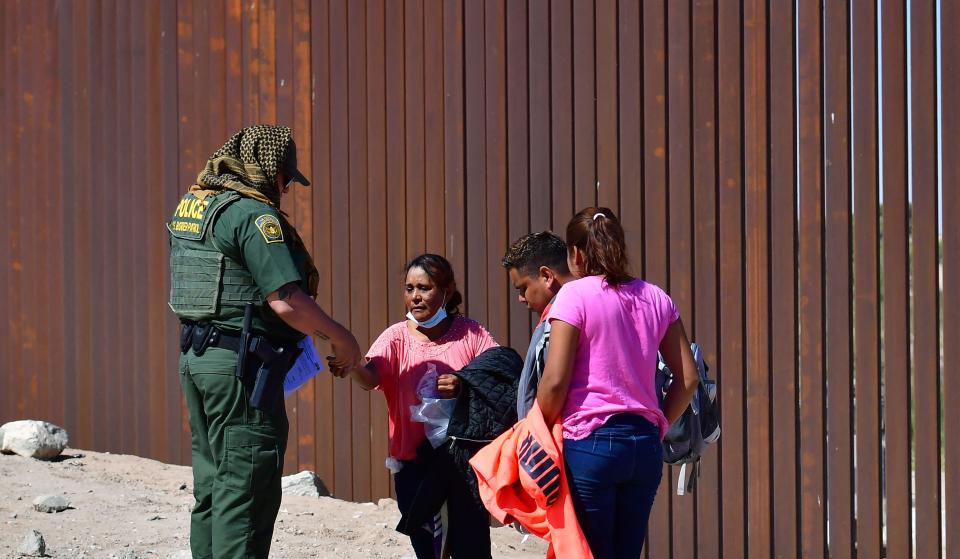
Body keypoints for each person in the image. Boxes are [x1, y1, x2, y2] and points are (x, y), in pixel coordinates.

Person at [168, 124, 362, 559]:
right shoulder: (254, 216)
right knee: (247, 490)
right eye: (286, 178)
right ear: (268, 170)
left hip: (199, 361)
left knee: (214, 487)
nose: (288, 189)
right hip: (240, 369)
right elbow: (286, 300)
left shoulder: (196, 204)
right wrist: (341, 338)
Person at [536, 207, 699, 559]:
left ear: (576, 253)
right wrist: (659, 426)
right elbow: (688, 377)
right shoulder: (656, 297)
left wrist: (537, 427)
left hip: (590, 442)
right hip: (643, 446)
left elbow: (554, 381)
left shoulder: (574, 295)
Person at [332, 254, 499, 559]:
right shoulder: (395, 338)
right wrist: (352, 364)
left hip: (465, 464)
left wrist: (464, 385)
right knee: (428, 549)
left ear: (446, 291)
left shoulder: (471, 334)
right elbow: (371, 378)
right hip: (413, 464)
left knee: (471, 548)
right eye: (409, 289)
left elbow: (498, 378)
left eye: (425, 288)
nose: (415, 297)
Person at [501, 231, 575, 420]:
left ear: (546, 275)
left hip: (566, 438)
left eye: (523, 288)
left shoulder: (562, 315)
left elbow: (555, 383)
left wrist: (535, 431)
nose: (520, 298)